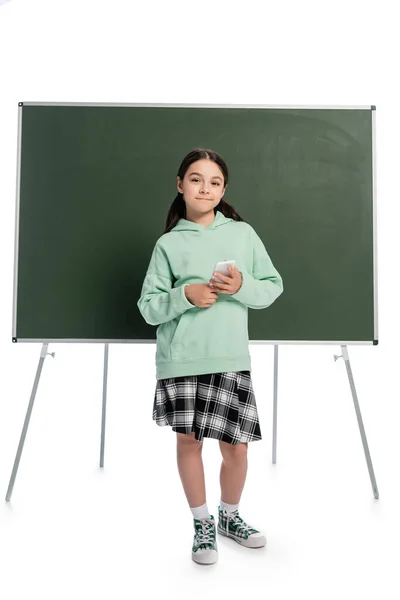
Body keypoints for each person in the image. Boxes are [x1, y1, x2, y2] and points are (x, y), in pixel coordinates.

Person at [137, 148, 283, 565]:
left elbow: (272, 287)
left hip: (230, 356)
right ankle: (202, 524)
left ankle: (229, 516)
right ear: (180, 184)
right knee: (190, 441)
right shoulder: (168, 244)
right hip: (182, 358)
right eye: (196, 179)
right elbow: (148, 307)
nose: (205, 187)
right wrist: (185, 295)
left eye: (215, 181)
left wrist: (241, 286)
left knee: (236, 448)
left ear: (224, 190)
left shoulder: (242, 234)